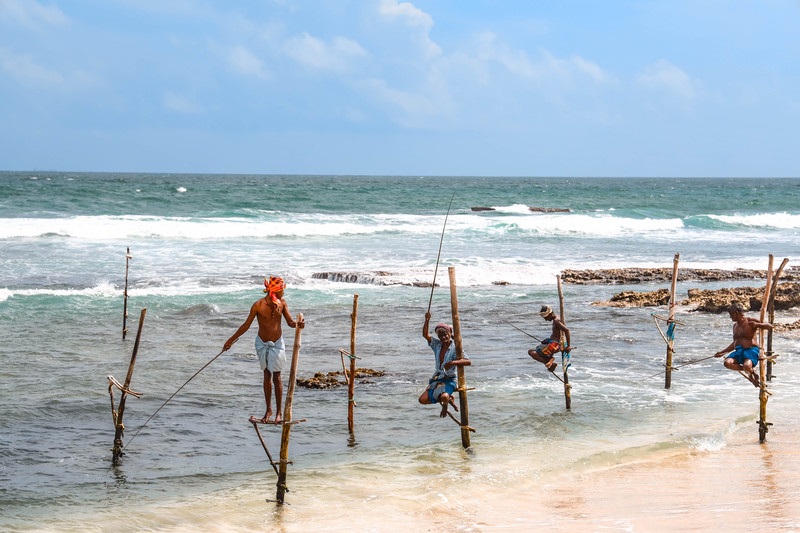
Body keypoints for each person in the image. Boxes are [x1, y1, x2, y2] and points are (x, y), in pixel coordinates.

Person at [224, 276, 304, 424]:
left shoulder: (282, 303)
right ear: (275, 290)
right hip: (262, 343)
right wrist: (230, 341)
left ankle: (279, 412)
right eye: (282, 290)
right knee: (267, 375)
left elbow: (290, 322)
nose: (283, 293)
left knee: (277, 377)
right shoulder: (258, 305)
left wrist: (298, 324)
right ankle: (269, 410)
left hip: (277, 343)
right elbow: (245, 326)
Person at [419, 312, 471, 418]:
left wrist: (452, 362)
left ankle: (445, 406)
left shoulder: (456, 348)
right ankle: (447, 400)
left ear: (449, 334)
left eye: (445, 335)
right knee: (422, 400)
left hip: (450, 379)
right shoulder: (437, 345)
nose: (443, 337)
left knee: (444, 396)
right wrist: (427, 320)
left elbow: (467, 361)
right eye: (441, 336)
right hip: (437, 378)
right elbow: (425, 335)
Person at [714, 301, 772, 388]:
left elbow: (769, 326)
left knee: (746, 365)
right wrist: (722, 352)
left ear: (736, 313)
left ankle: (749, 369)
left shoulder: (750, 321)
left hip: (751, 350)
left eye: (731, 314)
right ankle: (751, 371)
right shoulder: (735, 326)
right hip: (739, 351)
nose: (730, 317)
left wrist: (757, 324)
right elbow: (735, 343)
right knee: (727, 363)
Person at [528, 305, 571, 372]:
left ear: (550, 314)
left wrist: (568, 346)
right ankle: (550, 362)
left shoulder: (556, 321)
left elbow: (567, 330)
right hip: (551, 342)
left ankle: (549, 361)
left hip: (555, 345)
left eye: (546, 317)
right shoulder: (555, 319)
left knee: (534, 354)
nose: (546, 320)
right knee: (530, 351)